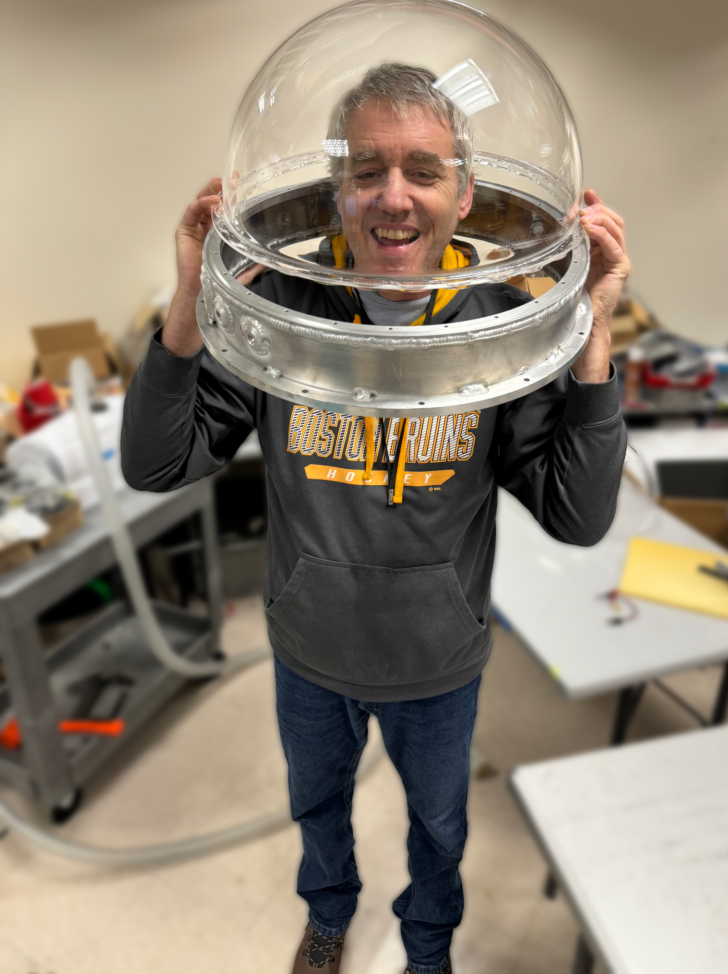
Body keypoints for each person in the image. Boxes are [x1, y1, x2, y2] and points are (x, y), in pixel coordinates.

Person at [121, 63, 629, 974]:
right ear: (337, 192)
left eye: (423, 171)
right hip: (310, 648)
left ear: (464, 193)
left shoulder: (501, 326)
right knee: (318, 808)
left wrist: (592, 338)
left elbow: (578, 515)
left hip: (439, 656)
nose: (393, 197)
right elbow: (157, 462)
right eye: (366, 170)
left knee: (439, 825)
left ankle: (428, 950)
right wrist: (192, 296)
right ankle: (330, 918)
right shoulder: (282, 312)